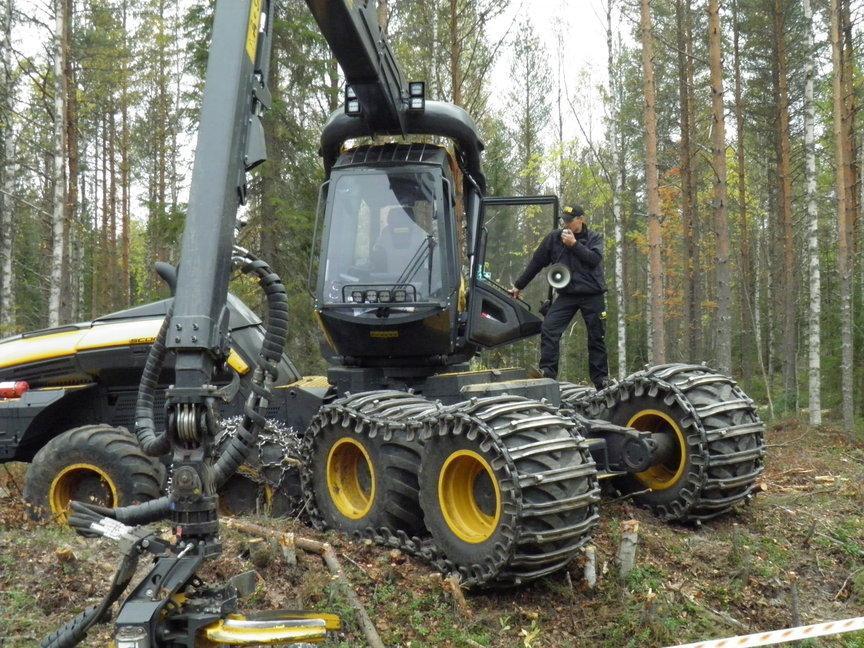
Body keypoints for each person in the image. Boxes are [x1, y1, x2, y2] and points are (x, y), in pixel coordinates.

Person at [508, 204, 610, 389]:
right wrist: (518, 285)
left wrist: (574, 245)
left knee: (597, 337)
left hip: (592, 293)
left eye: (570, 221)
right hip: (567, 294)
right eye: (564, 220)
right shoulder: (554, 239)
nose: (566, 224)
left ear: (581, 219)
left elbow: (594, 259)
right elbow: (536, 263)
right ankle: (547, 372)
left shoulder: (594, 237)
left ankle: (601, 380)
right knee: (549, 328)